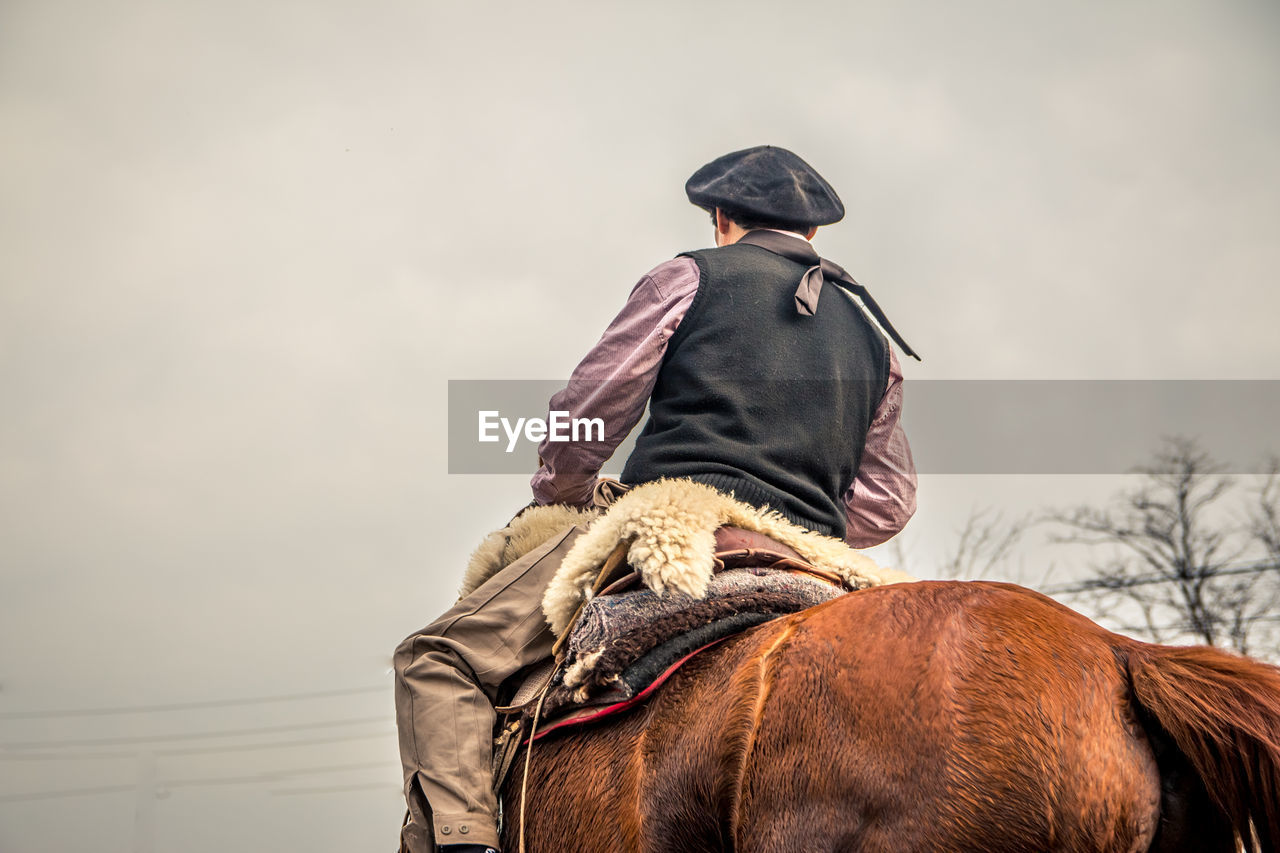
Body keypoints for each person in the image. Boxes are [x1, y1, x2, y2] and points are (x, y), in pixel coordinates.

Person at [394, 145, 919, 853]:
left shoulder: (690, 276)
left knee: (437, 658)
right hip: (813, 557)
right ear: (814, 234)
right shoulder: (874, 341)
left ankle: (465, 842)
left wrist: (568, 492)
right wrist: (795, 517)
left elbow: (589, 412)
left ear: (721, 217)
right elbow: (888, 503)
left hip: (674, 522)